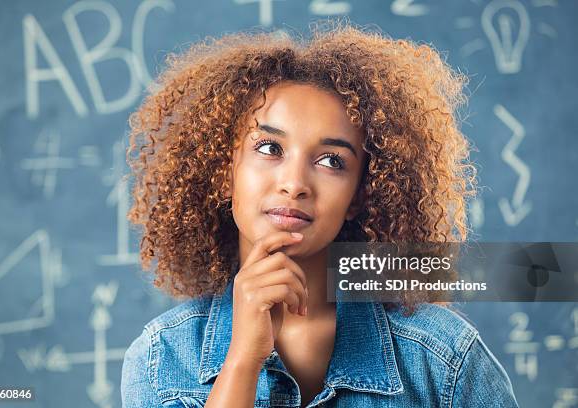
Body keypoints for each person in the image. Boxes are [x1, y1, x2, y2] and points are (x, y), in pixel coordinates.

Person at [121, 21, 519, 407]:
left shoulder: (444, 360)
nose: (294, 184)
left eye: (331, 160)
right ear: (226, 172)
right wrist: (242, 361)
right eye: (268, 149)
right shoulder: (162, 359)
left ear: (361, 194)